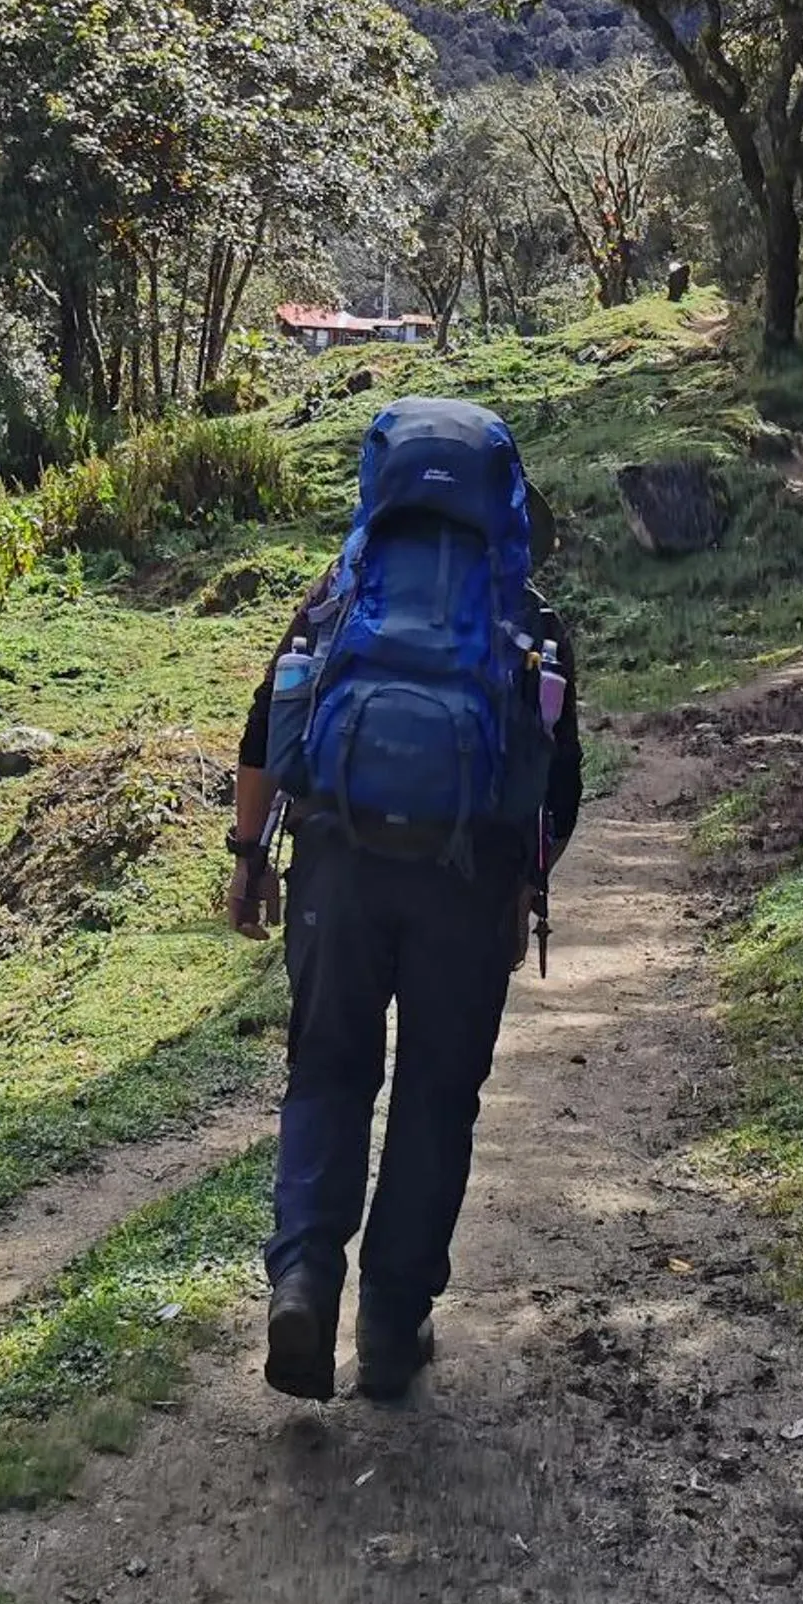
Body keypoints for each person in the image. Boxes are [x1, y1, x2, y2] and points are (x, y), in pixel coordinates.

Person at [224, 397, 582, 1405]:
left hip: (339, 863)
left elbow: (270, 728)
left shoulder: (339, 594)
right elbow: (558, 784)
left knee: (328, 1069)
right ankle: (389, 1324)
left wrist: (250, 858)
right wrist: (523, 889)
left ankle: (302, 1277)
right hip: (465, 885)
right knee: (435, 1093)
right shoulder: (525, 616)